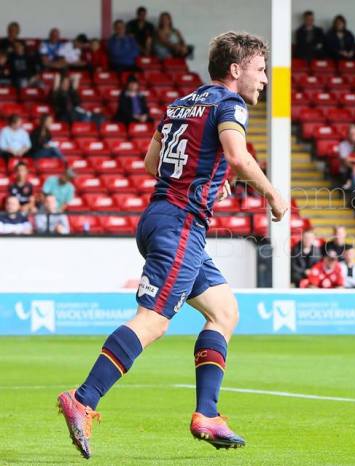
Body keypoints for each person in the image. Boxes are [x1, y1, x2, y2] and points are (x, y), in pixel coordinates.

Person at [57, 31, 289, 459]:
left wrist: (207, 179)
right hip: (181, 225)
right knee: (153, 321)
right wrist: (274, 195)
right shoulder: (230, 104)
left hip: (162, 217)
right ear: (235, 69)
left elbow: (152, 164)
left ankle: (207, 415)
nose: (264, 79)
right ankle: (83, 398)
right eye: (259, 70)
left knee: (224, 311)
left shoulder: (180, 104)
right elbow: (237, 157)